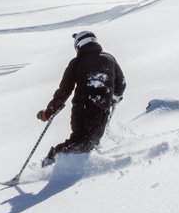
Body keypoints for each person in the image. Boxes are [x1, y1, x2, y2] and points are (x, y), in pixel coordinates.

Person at [36, 30, 126, 166]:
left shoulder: (76, 63)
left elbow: (64, 91)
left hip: (80, 109)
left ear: (79, 45)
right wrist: (114, 98)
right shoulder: (109, 59)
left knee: (80, 141)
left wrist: (49, 112)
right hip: (100, 110)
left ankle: (59, 163)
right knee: (86, 144)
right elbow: (121, 83)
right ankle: (57, 159)